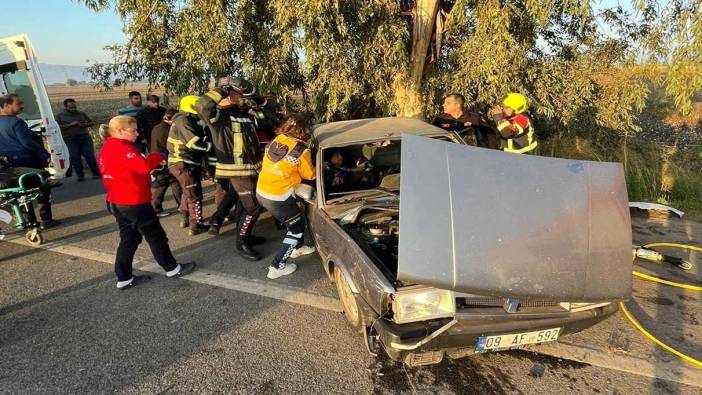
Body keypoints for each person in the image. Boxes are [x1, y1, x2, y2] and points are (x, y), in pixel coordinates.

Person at [97, 115, 195, 290]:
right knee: (156, 236)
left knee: (129, 238)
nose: (137, 134)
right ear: (119, 131)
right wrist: (158, 156)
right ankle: (172, 268)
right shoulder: (124, 148)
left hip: (115, 200)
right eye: (133, 130)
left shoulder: (106, 148)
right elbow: (142, 167)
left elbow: (128, 170)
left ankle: (124, 277)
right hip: (133, 203)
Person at [195, 76, 265, 260]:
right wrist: (223, 89)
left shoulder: (244, 113)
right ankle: (241, 243)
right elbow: (202, 106)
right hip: (237, 170)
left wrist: (259, 102)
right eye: (238, 94)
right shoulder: (218, 116)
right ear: (228, 94)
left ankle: (246, 236)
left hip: (253, 168)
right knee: (254, 207)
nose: (242, 98)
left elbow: (267, 120)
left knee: (244, 205)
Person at [256, 114, 316, 279]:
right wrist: (322, 167)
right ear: (303, 130)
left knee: (297, 219)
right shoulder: (301, 150)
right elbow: (310, 175)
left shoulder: (278, 139)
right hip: (278, 196)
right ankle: (276, 266)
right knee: (296, 229)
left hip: (262, 190)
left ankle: (298, 248)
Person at [0, 94, 57, 229]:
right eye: (18, 103)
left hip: (8, 162)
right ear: (7, 106)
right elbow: (27, 143)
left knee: (18, 192)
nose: (21, 106)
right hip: (27, 159)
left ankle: (28, 220)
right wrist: (43, 153)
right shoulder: (16, 122)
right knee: (41, 186)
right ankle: (46, 219)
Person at [167, 96, 209, 236]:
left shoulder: (184, 119)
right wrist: (211, 146)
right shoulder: (184, 120)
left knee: (187, 193)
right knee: (194, 196)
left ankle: (184, 217)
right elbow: (194, 144)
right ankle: (196, 225)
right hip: (183, 163)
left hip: (184, 163)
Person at [55, 98, 101, 181]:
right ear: (66, 107)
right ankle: (80, 175)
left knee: (90, 156)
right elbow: (57, 127)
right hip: (71, 140)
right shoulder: (60, 116)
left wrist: (83, 125)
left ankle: (96, 173)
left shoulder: (81, 114)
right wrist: (70, 125)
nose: (73, 109)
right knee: (75, 158)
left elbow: (91, 122)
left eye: (74, 107)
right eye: (71, 108)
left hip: (85, 138)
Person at [149, 108, 182, 216]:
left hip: (157, 159)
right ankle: (181, 206)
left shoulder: (156, 127)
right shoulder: (169, 130)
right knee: (170, 183)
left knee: (164, 184)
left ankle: (156, 208)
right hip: (165, 160)